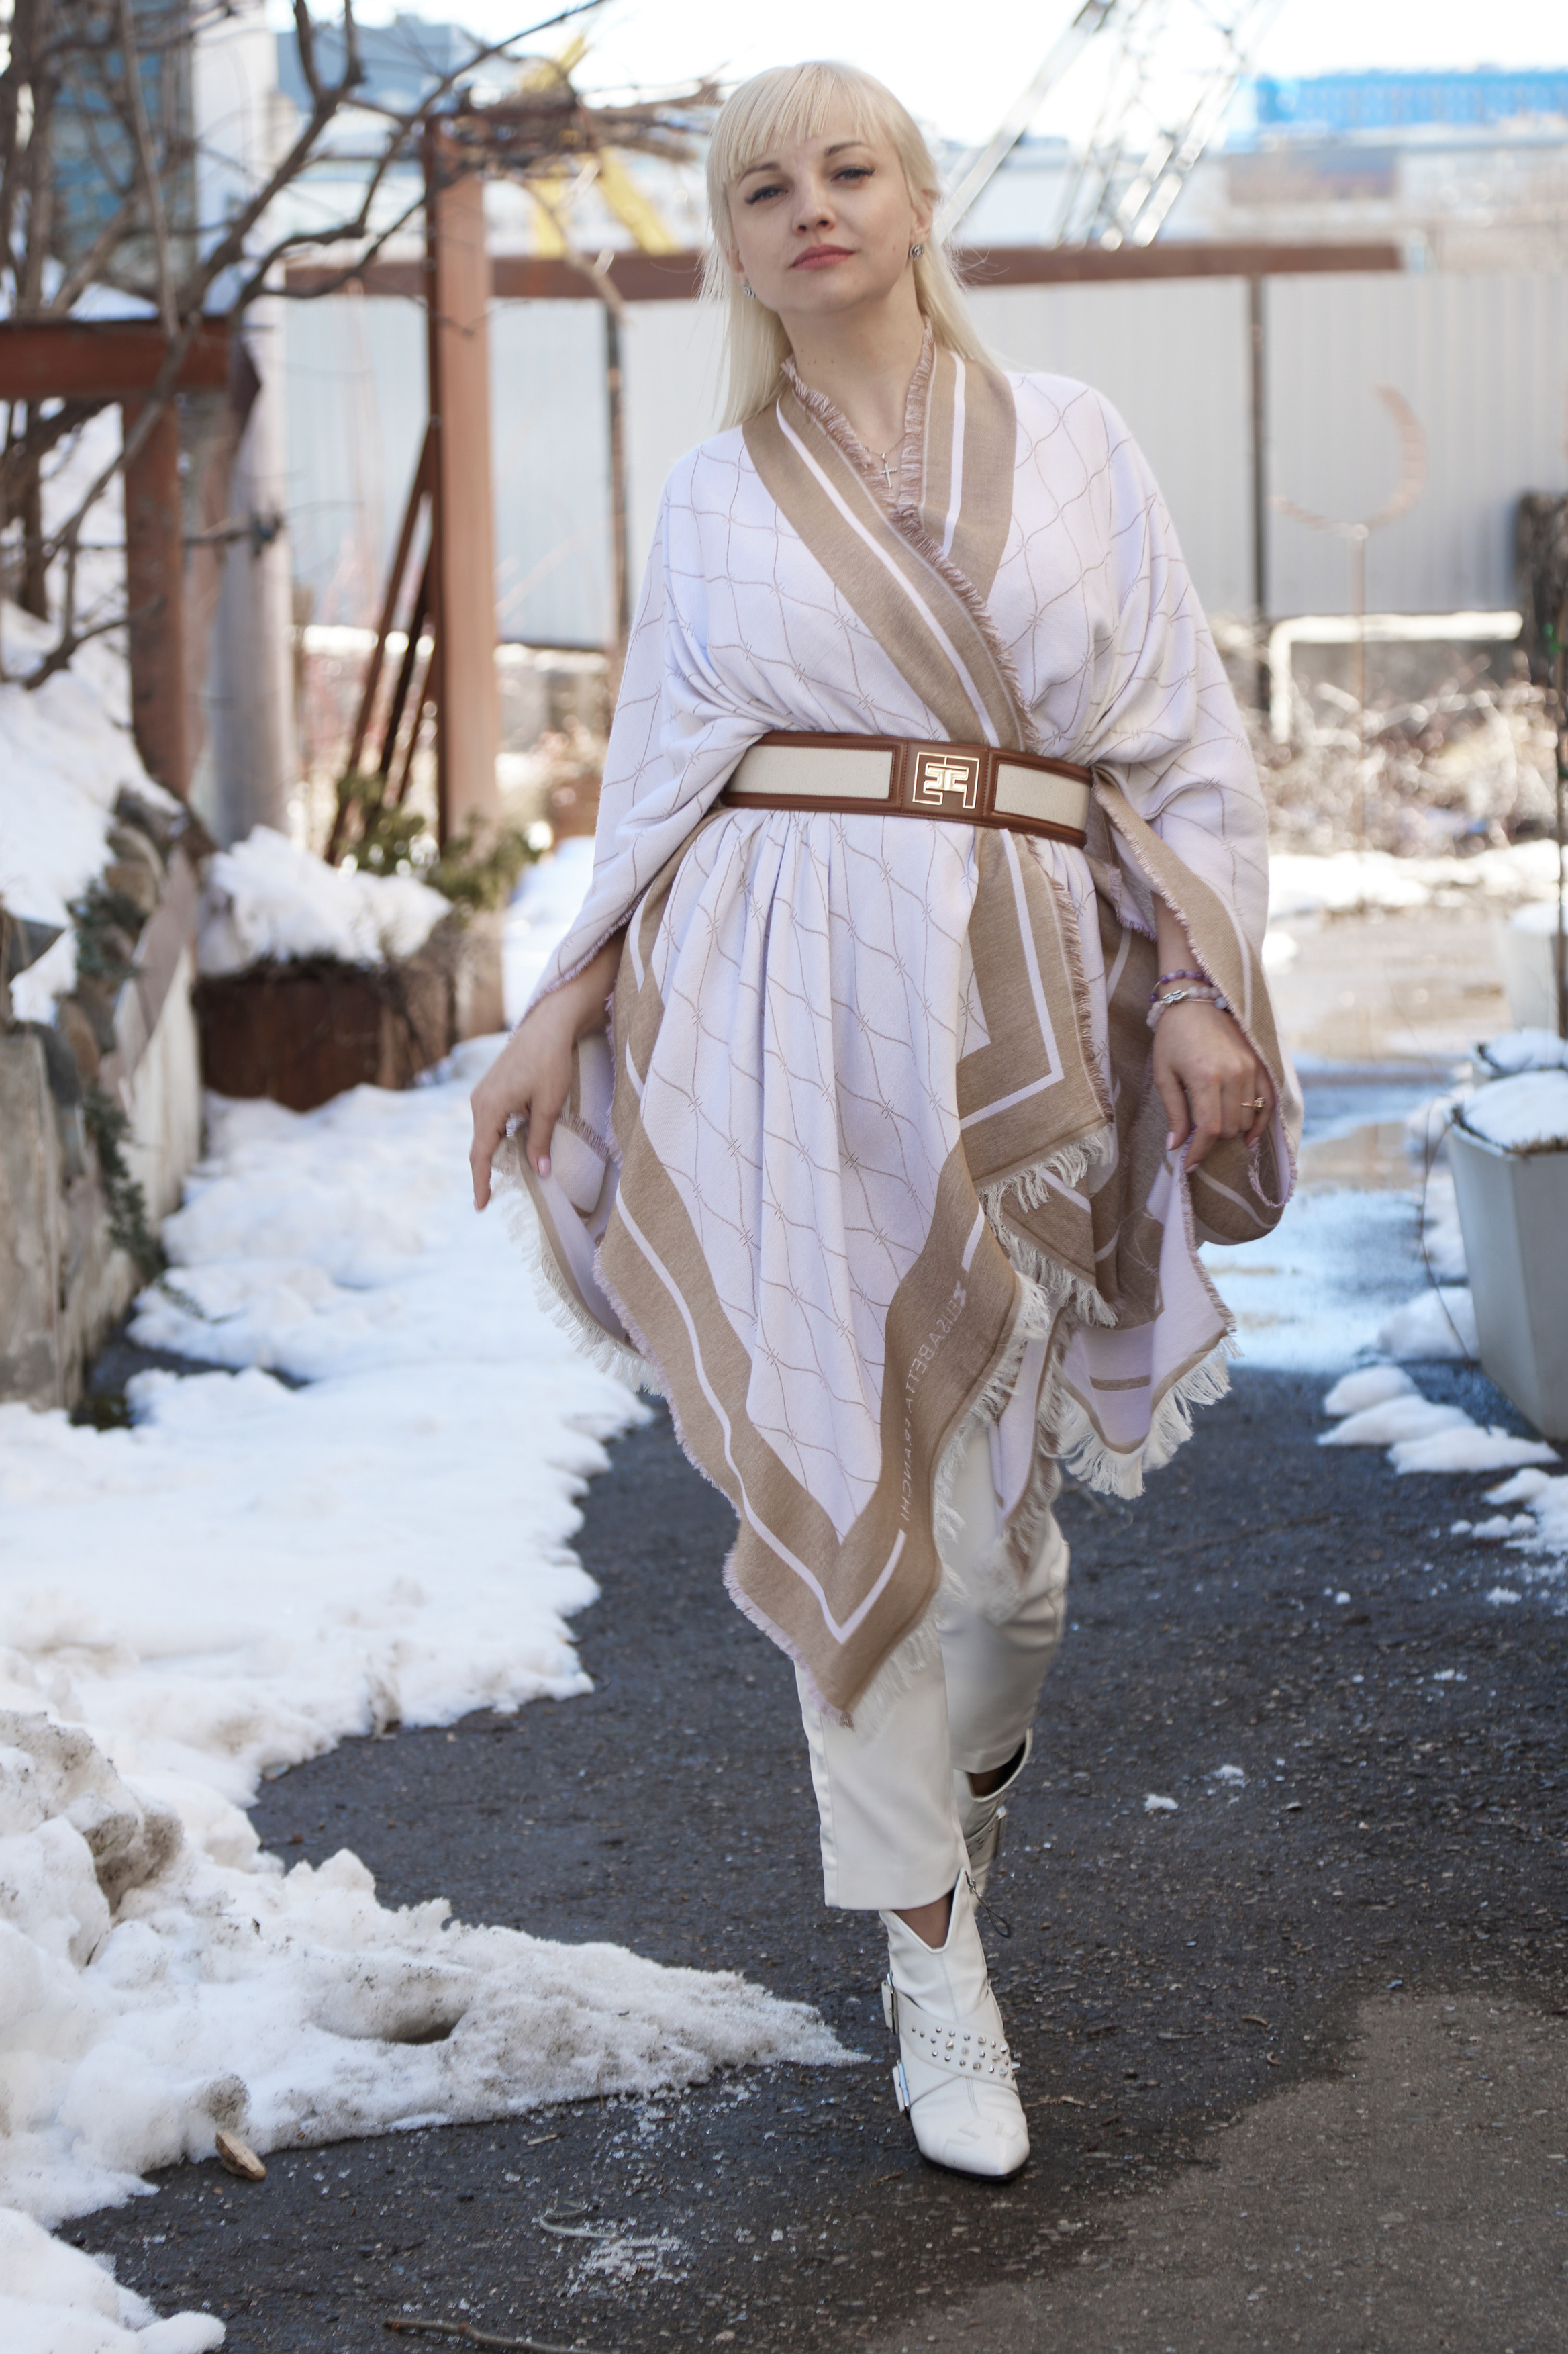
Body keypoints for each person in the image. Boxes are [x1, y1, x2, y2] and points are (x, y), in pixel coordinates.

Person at [469, 60, 1295, 2182]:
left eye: (849, 172)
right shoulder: (718, 493)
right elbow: (655, 776)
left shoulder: (1082, 444)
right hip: (774, 1002)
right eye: (765, 187)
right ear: (735, 245)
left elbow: (1181, 746)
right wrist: (559, 1009)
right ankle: (938, 1976)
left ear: (918, 202)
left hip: (1033, 992)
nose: (810, 208)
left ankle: (956, 1804)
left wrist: (1200, 990)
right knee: (866, 1490)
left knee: (1004, 1572)